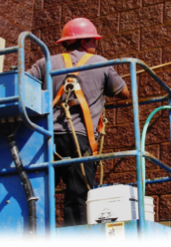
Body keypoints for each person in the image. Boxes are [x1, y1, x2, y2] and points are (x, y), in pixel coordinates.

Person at [28, 18, 130, 226]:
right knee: (78, 194)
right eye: (94, 41)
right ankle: (75, 236)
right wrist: (101, 84)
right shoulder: (101, 63)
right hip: (80, 140)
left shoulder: (45, 63)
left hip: (47, 139)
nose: (96, 45)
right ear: (84, 42)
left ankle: (35, 233)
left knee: (40, 191)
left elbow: (23, 87)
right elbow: (124, 93)